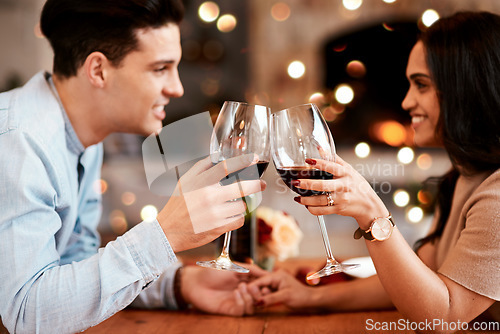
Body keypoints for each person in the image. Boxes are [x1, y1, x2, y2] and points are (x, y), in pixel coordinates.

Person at [0, 0, 267, 333]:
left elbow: (74, 264)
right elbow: (27, 314)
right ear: (98, 70)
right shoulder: (17, 142)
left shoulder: (84, 135)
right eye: (160, 69)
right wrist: (165, 234)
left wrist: (179, 284)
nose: (177, 88)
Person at [240, 11, 500, 329]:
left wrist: (373, 214)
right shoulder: (466, 176)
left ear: (468, 89)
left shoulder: (497, 195)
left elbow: (441, 317)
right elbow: (420, 280)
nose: (406, 102)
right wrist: (309, 297)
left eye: (421, 85)